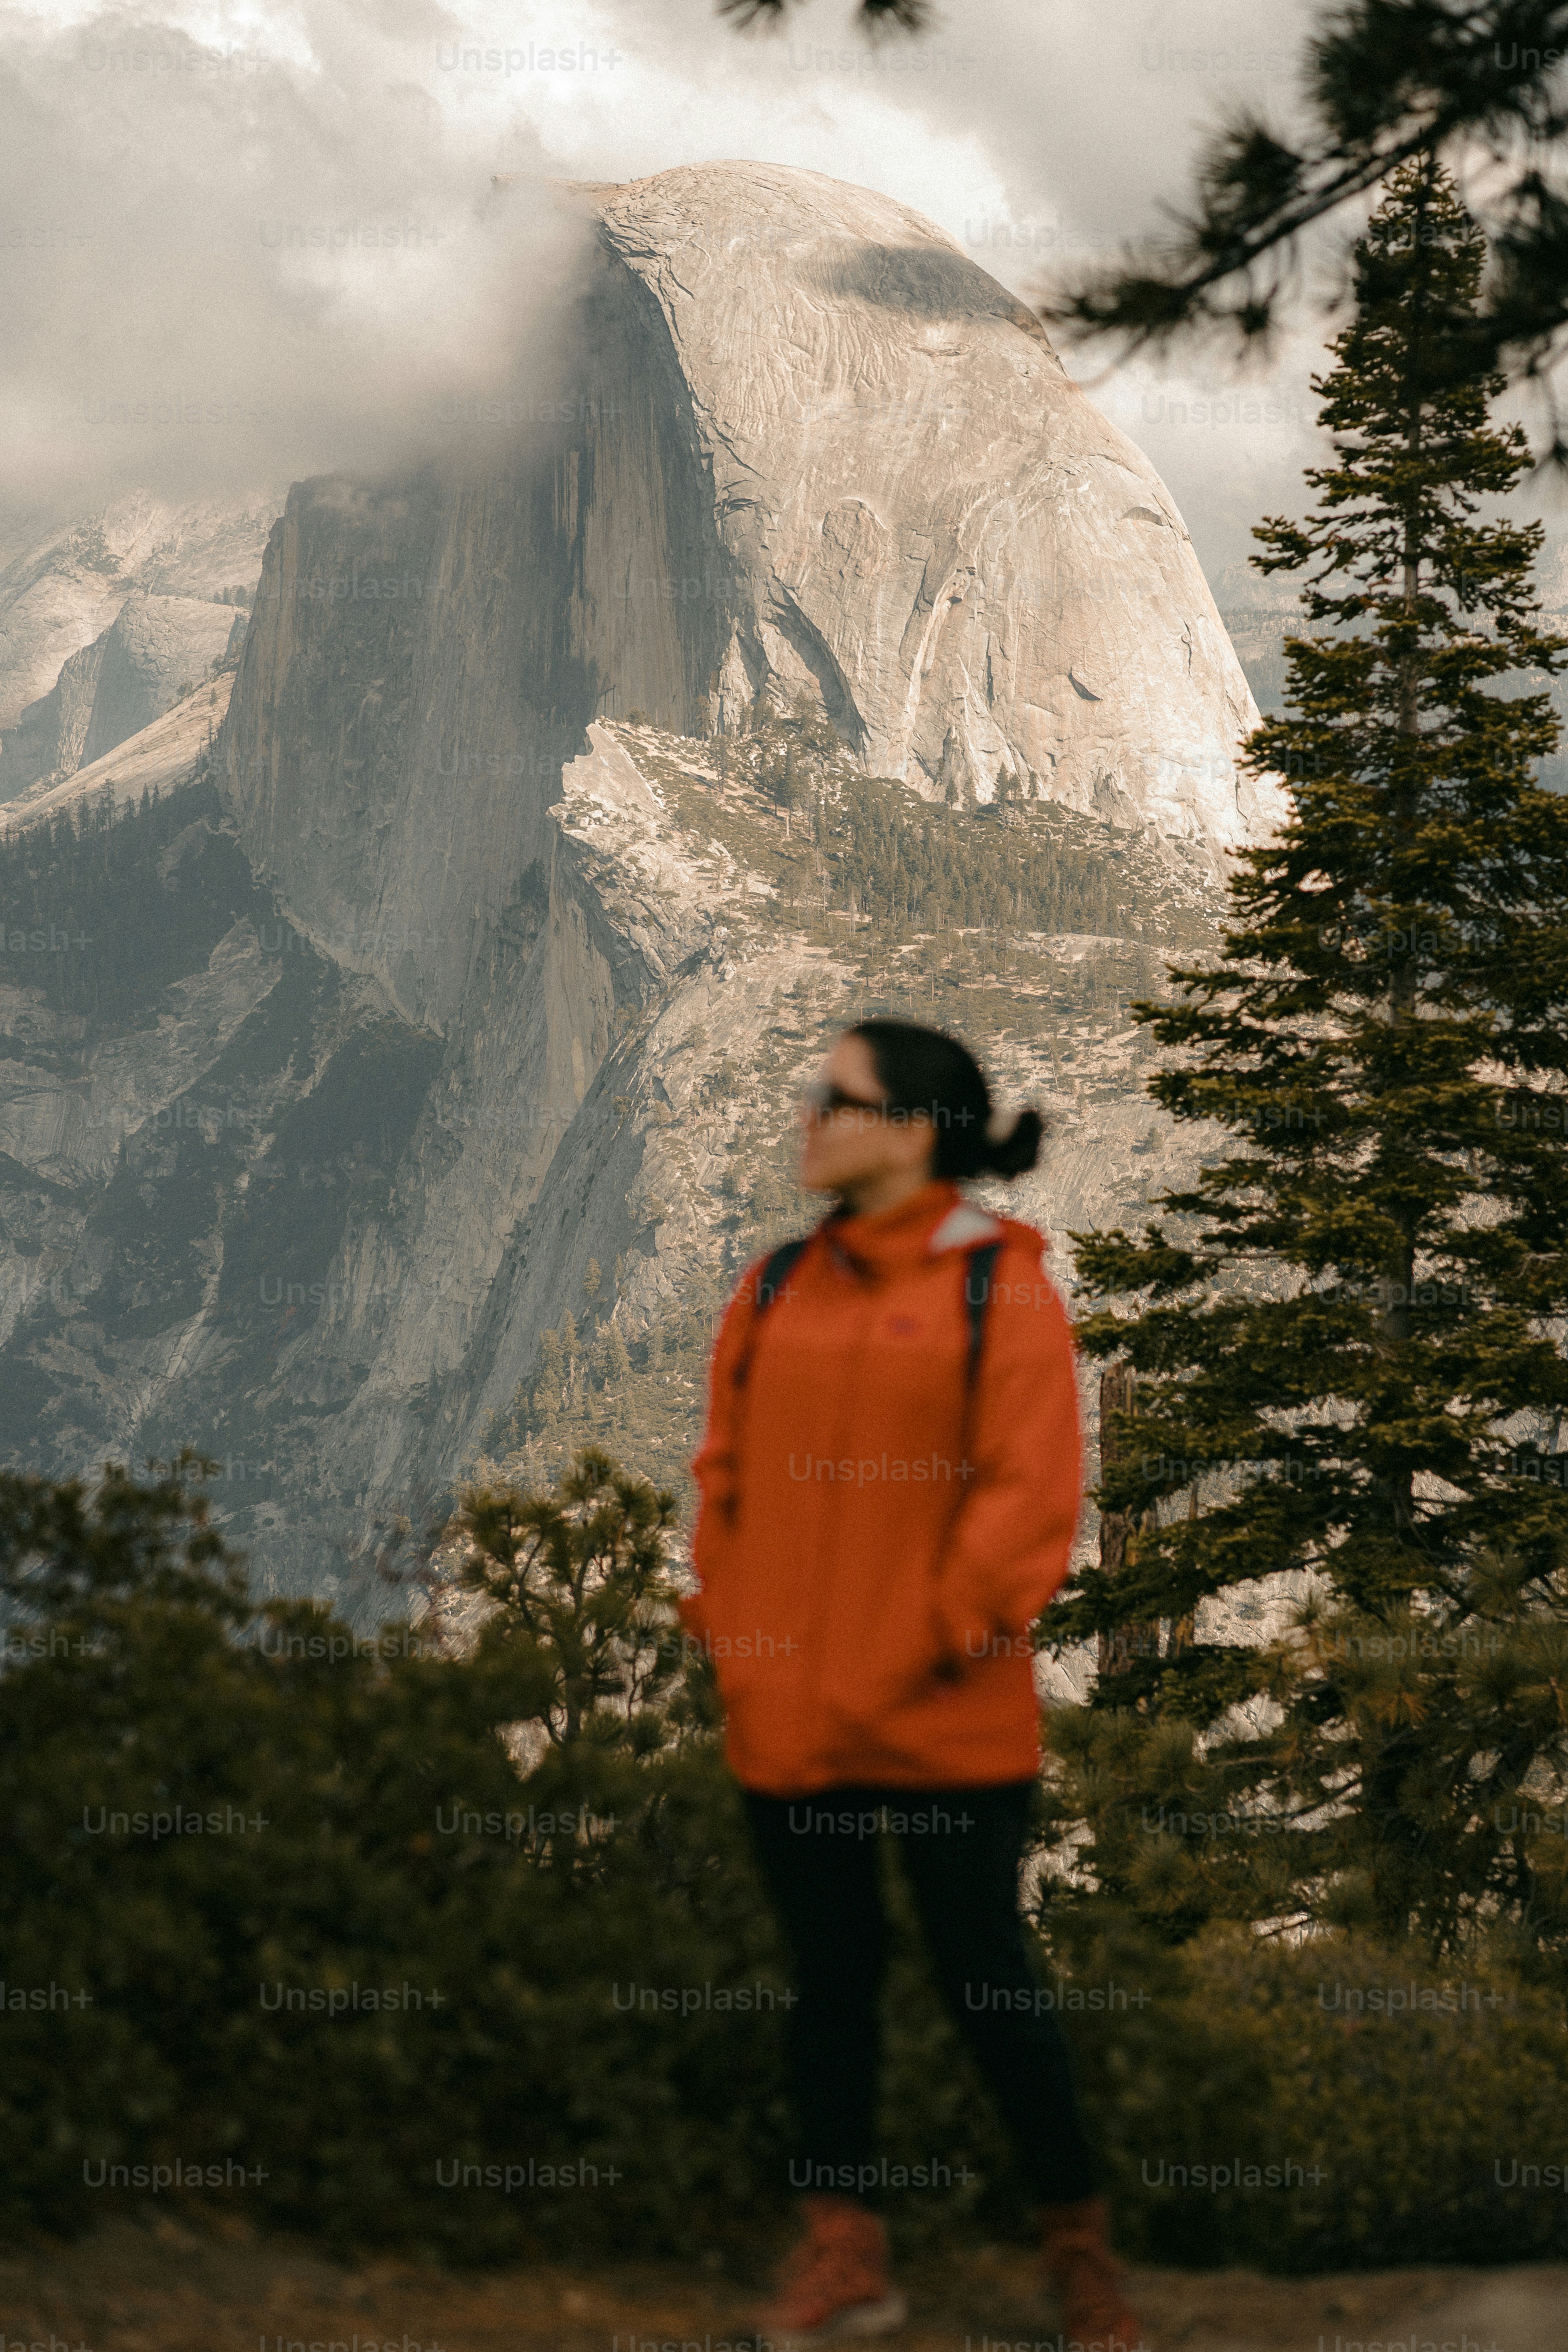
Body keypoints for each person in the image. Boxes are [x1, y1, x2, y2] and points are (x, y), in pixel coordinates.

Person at [682, 1019, 1147, 2352]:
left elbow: (1027, 1503)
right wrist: (733, 1637)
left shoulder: (1003, 1289)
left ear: (914, 1132)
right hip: (792, 1722)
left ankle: (1078, 2254)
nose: (809, 1114)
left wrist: (912, 1651)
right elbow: (724, 1481)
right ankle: (846, 2255)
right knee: (828, 1981)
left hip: (948, 1722)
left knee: (985, 1979)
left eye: (837, 1097)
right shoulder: (775, 1289)